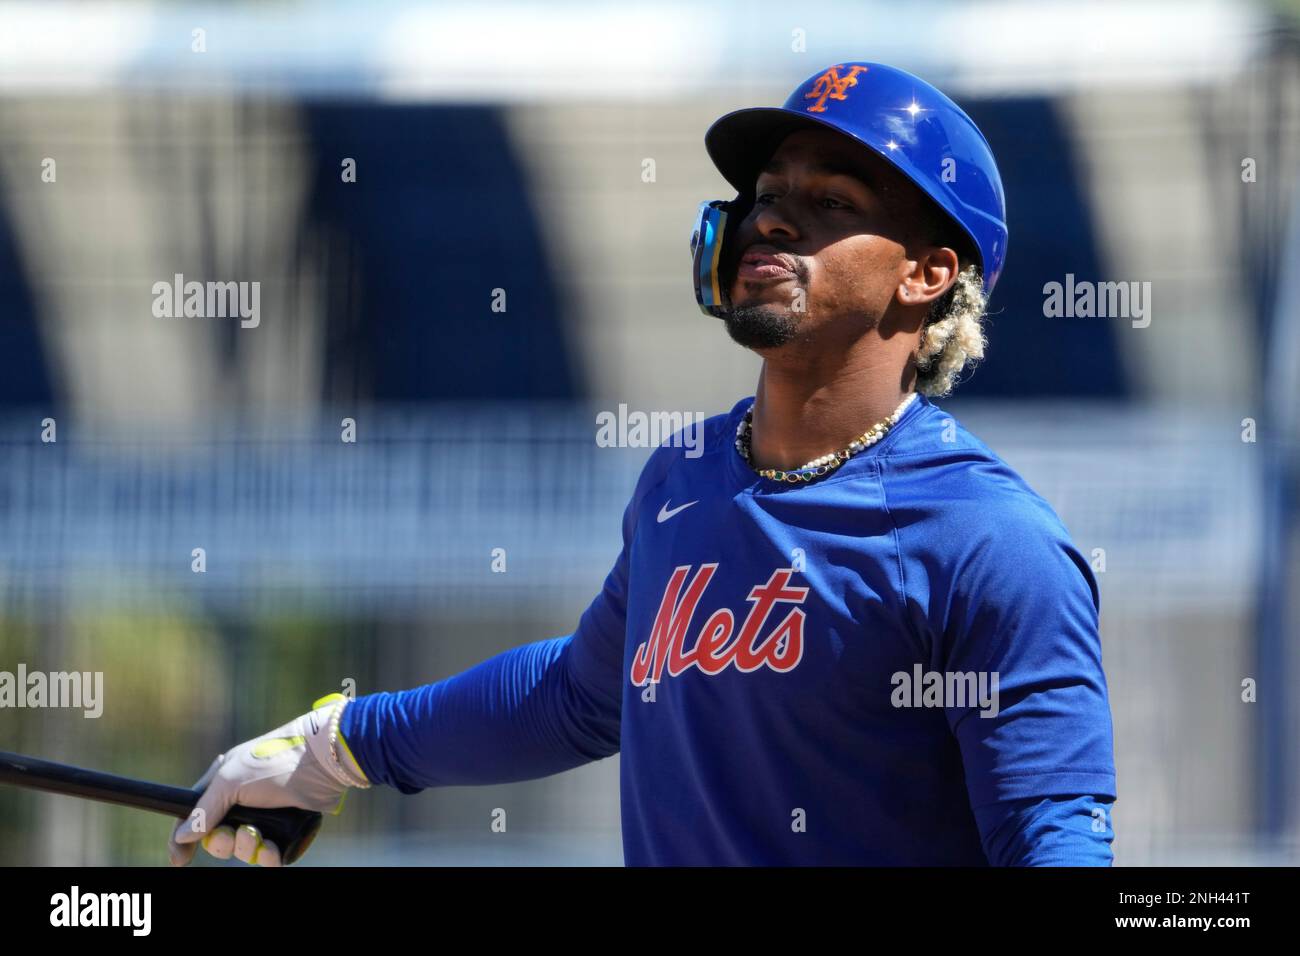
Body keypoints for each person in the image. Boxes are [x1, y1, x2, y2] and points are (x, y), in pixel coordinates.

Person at [169, 61, 1117, 868]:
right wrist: (334, 748)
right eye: (767, 197)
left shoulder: (989, 539)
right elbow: (581, 693)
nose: (771, 224)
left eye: (830, 202)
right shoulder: (686, 473)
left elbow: (1053, 835)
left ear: (927, 273)